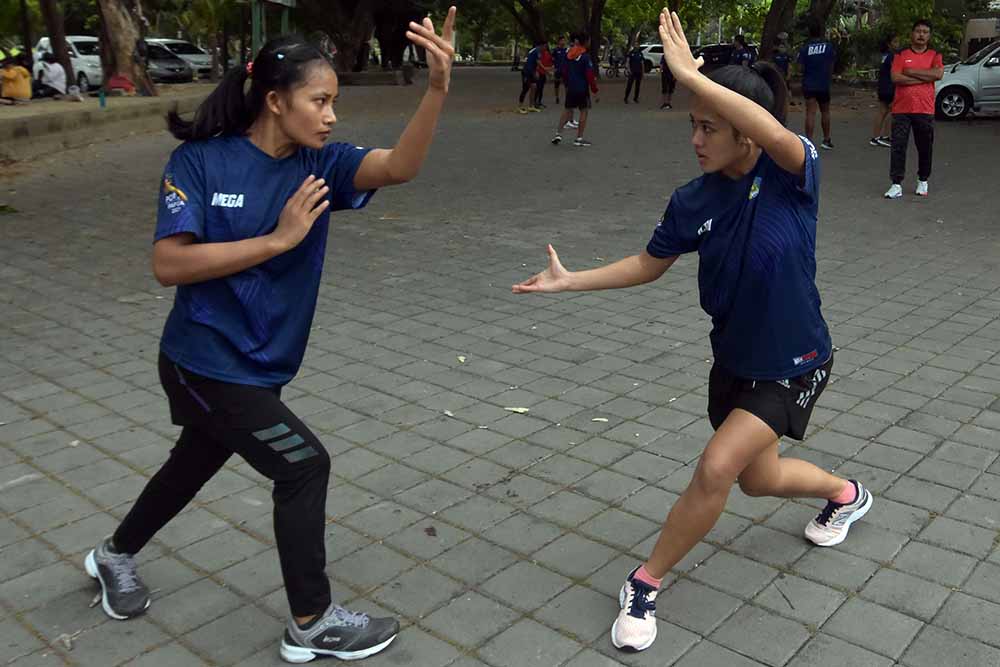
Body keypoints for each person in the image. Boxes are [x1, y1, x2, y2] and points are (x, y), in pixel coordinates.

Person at [83, 10, 457, 664]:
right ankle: (311, 622)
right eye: (320, 100)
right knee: (302, 463)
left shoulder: (323, 166)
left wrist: (436, 91)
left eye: (335, 102)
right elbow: (168, 263)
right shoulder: (200, 162)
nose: (331, 115)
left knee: (191, 464)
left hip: (259, 367)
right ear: (277, 101)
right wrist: (278, 240)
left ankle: (111, 555)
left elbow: (399, 166)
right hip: (201, 362)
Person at [516, 9, 872, 654]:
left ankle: (645, 583)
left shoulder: (792, 175)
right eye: (693, 126)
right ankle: (846, 494)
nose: (697, 139)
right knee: (756, 480)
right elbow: (649, 266)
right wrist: (571, 281)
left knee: (714, 469)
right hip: (733, 361)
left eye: (709, 127)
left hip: (796, 360)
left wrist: (688, 74)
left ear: (747, 134)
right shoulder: (693, 199)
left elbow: (775, 132)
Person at [884, 19, 942, 199]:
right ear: (912, 33)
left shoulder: (935, 54)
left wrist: (909, 71)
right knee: (898, 147)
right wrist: (925, 77)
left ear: (929, 35)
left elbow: (938, 74)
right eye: (918, 31)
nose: (921, 35)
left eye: (925, 32)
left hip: (924, 109)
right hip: (902, 109)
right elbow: (895, 78)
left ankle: (923, 180)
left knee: (925, 147)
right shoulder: (900, 54)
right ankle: (896, 184)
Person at [552, 33, 599, 147]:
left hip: (571, 87)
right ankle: (579, 138)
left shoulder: (569, 54)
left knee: (567, 109)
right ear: (586, 42)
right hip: (582, 88)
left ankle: (558, 134)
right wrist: (595, 91)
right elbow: (589, 75)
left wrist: (566, 81)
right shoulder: (585, 57)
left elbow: (564, 70)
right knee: (584, 110)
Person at [797, 21, 836, 149]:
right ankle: (826, 139)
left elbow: (800, 68)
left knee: (810, 113)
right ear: (821, 32)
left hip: (809, 83)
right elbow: (831, 66)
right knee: (825, 111)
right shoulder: (828, 47)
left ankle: (809, 142)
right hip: (823, 84)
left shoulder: (805, 49)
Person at [870, 34, 897, 147]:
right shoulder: (892, 56)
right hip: (889, 87)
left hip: (883, 86)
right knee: (889, 111)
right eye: (896, 42)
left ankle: (883, 136)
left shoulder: (885, 56)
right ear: (890, 44)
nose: (898, 44)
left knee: (885, 111)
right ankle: (878, 137)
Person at [519, 41, 543, 112]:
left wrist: (536, 71)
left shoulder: (534, 51)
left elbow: (535, 63)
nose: (544, 49)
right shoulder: (536, 51)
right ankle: (520, 106)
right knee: (525, 88)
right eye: (544, 47)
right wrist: (545, 71)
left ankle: (531, 106)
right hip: (527, 72)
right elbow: (537, 63)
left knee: (534, 87)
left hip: (531, 72)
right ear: (541, 45)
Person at [534, 41, 554, 109]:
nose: (545, 47)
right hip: (539, 72)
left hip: (543, 73)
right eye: (544, 46)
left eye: (546, 46)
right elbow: (537, 63)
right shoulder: (538, 53)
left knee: (541, 88)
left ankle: (539, 102)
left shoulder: (547, 53)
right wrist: (536, 71)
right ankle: (535, 102)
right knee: (538, 88)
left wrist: (549, 71)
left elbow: (550, 63)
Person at [552, 36, 568, 104]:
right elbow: (552, 59)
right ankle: (557, 97)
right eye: (562, 40)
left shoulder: (567, 50)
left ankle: (568, 98)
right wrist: (553, 68)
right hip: (557, 70)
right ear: (559, 42)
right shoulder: (555, 50)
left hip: (565, 70)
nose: (563, 42)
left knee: (567, 85)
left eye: (564, 40)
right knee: (556, 84)